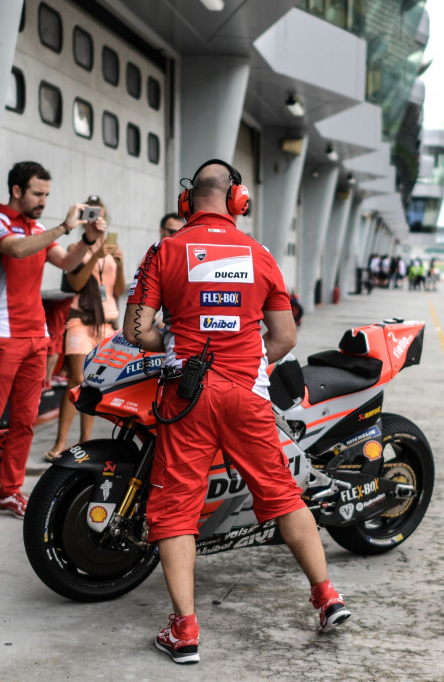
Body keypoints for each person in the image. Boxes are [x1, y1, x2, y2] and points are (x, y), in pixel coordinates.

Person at [123, 159, 350, 665]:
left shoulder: (165, 249)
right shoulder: (260, 254)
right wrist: (245, 361)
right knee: (282, 494)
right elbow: (286, 336)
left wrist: (178, 346)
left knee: (177, 505)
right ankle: (326, 597)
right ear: (237, 201)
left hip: (187, 395)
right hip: (248, 393)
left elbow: (136, 330)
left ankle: (184, 631)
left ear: (188, 203)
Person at [0, 161, 104, 526]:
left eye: (47, 194)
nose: (43, 201)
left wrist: (87, 240)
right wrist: (64, 227)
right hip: (2, 337)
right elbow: (16, 250)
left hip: (36, 338)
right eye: (38, 193)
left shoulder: (37, 228)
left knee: (24, 422)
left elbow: (67, 262)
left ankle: (9, 493)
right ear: (16, 191)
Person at [46, 196, 125, 460]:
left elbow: (119, 290)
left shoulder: (112, 247)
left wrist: (120, 262)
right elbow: (76, 283)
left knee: (96, 384)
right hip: (81, 320)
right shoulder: (75, 247)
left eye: (100, 216)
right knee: (77, 379)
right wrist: (96, 255)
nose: (96, 220)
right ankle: (60, 443)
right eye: (92, 215)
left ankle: (85, 442)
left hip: (107, 323)